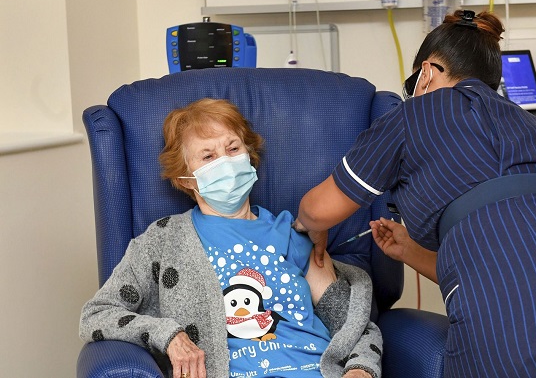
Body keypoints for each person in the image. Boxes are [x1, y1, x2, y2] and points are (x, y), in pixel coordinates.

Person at [294, 10, 536, 377]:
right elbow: (523, 254)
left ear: (426, 73)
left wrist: (313, 228)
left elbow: (318, 209)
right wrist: (409, 250)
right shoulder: (528, 121)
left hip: (513, 302)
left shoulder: (416, 113)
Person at [80, 98, 382, 378]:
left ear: (250, 156)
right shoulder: (163, 240)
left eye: (233, 149)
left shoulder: (293, 233)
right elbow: (96, 315)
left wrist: (361, 368)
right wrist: (168, 335)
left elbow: (352, 323)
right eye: (208, 156)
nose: (225, 161)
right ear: (185, 178)